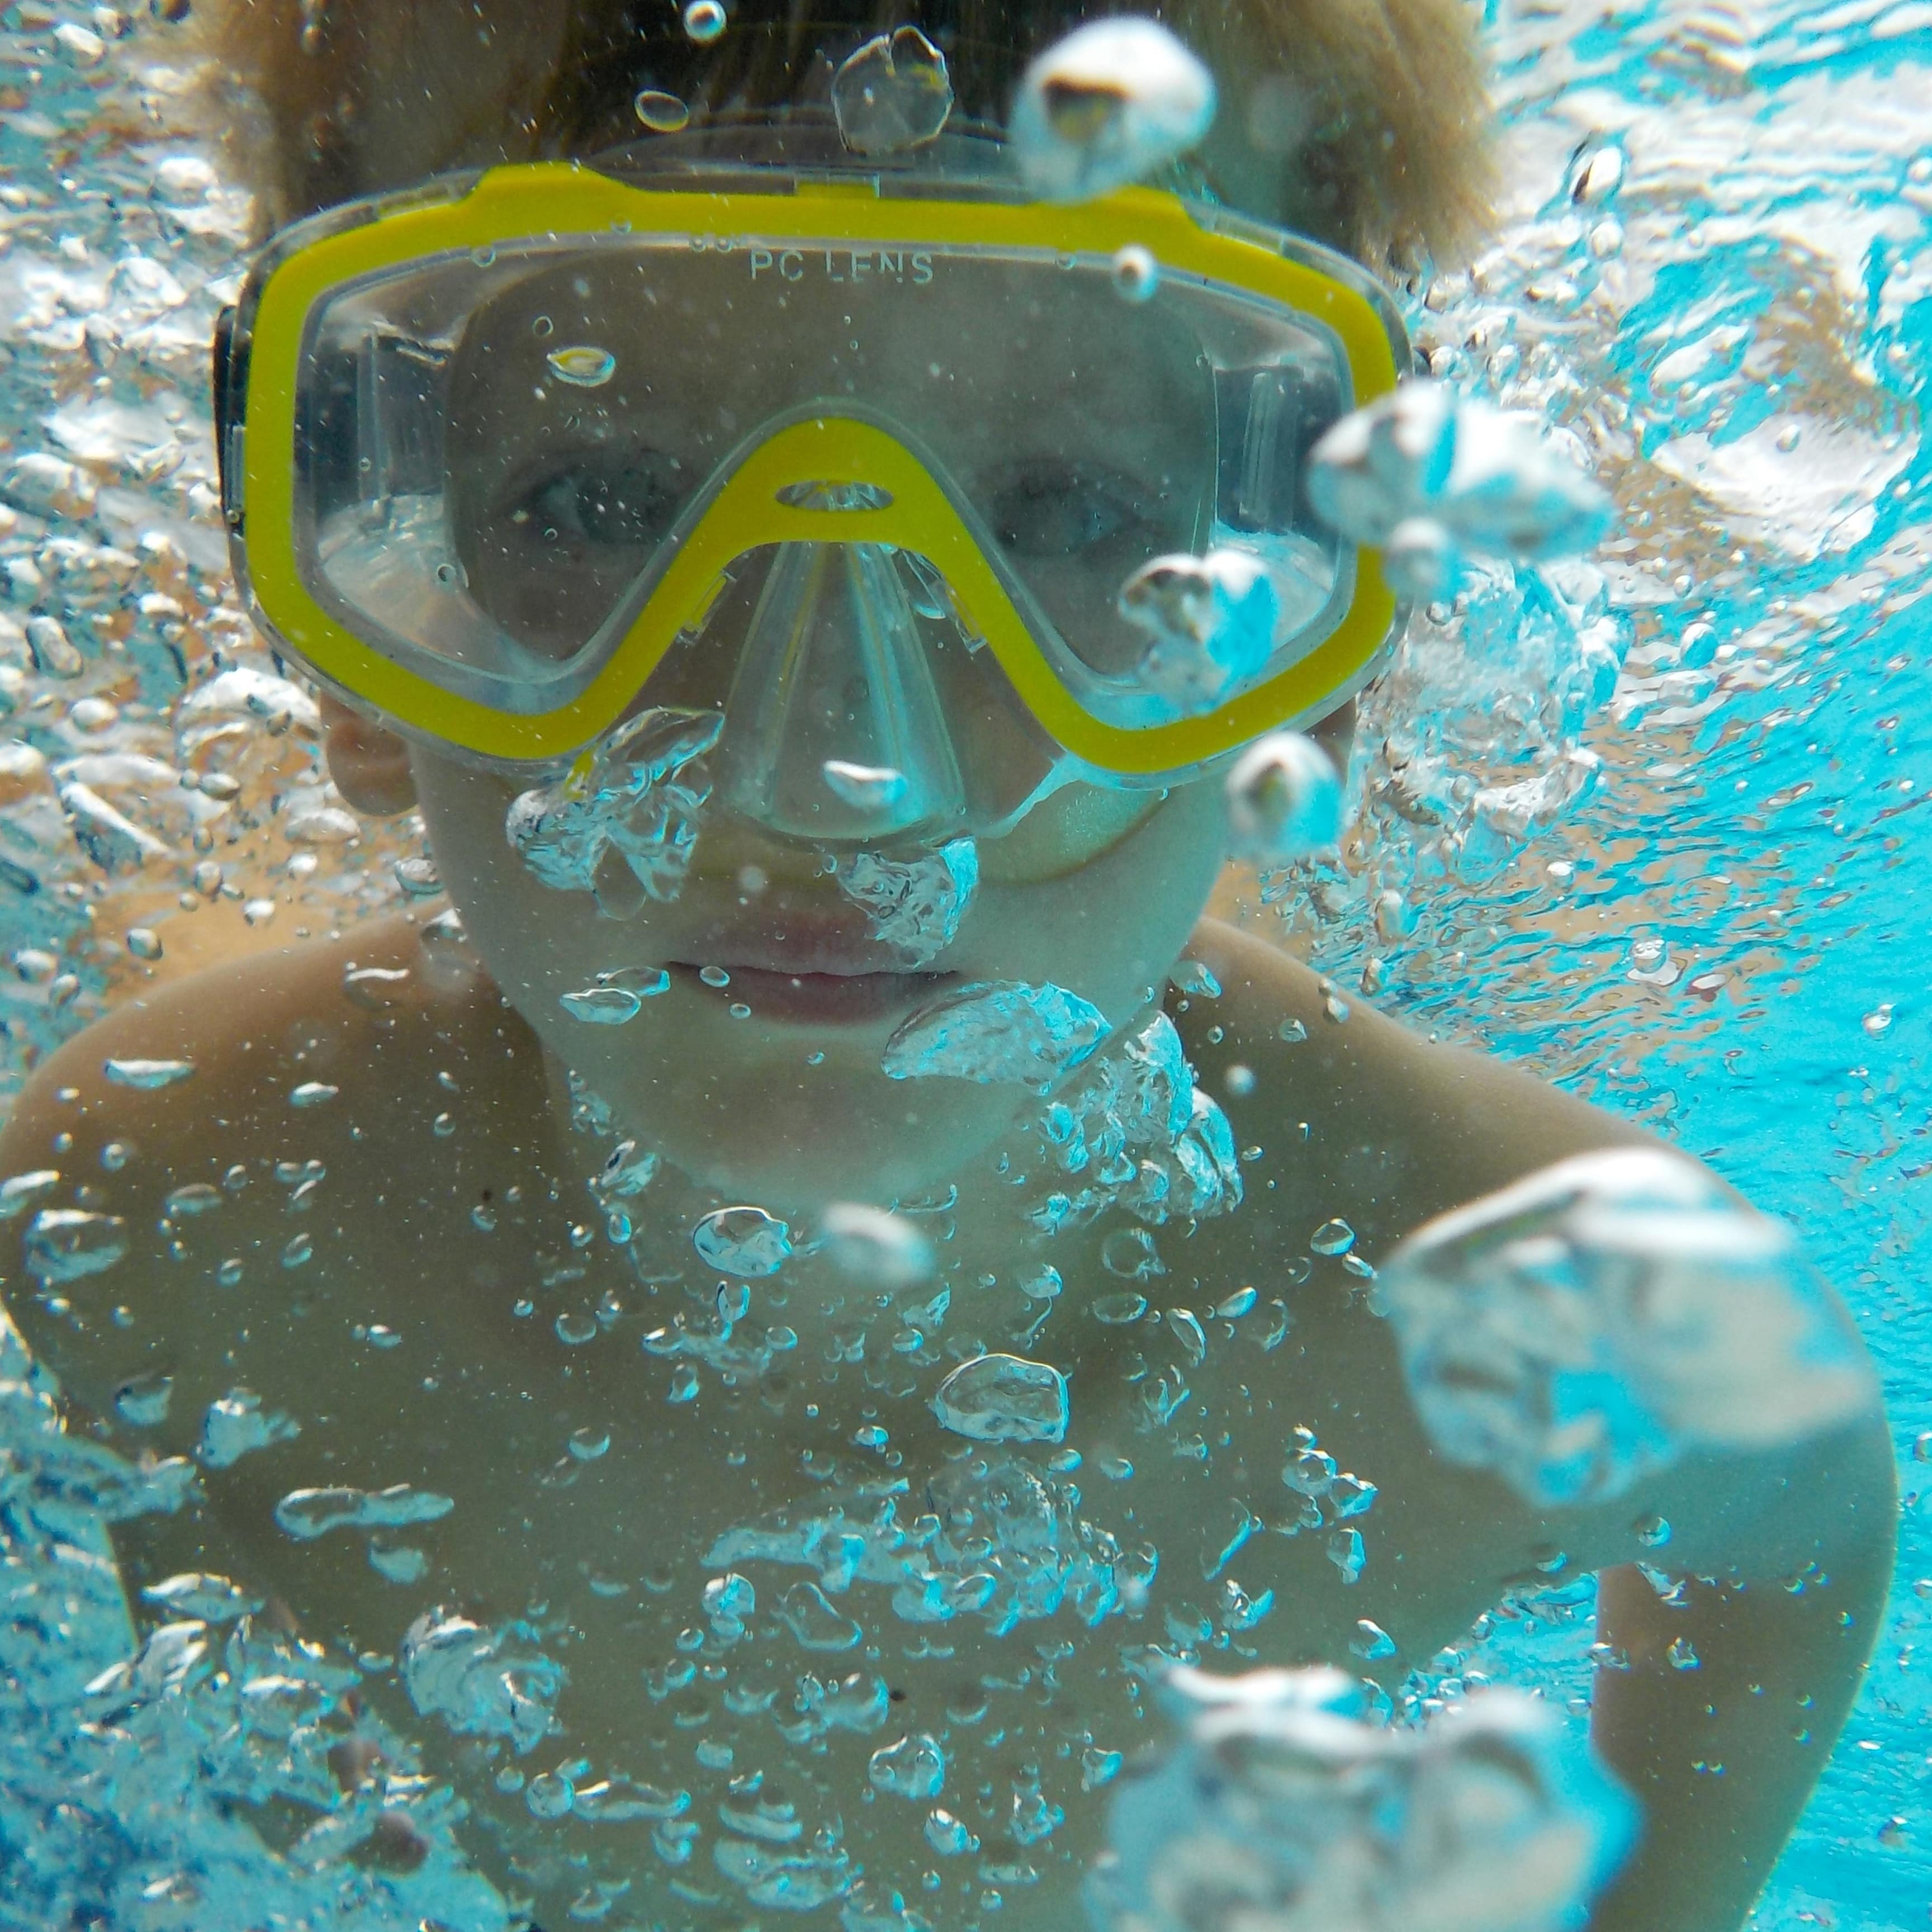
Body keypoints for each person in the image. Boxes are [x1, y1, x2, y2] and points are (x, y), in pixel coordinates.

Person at [0, 3, 1893, 1930]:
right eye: (605, 504)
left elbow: (1800, 1505)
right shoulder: (140, 1229)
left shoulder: (1503, 1296)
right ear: (356, 625)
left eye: (1067, 520)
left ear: (1313, 662)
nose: (832, 774)